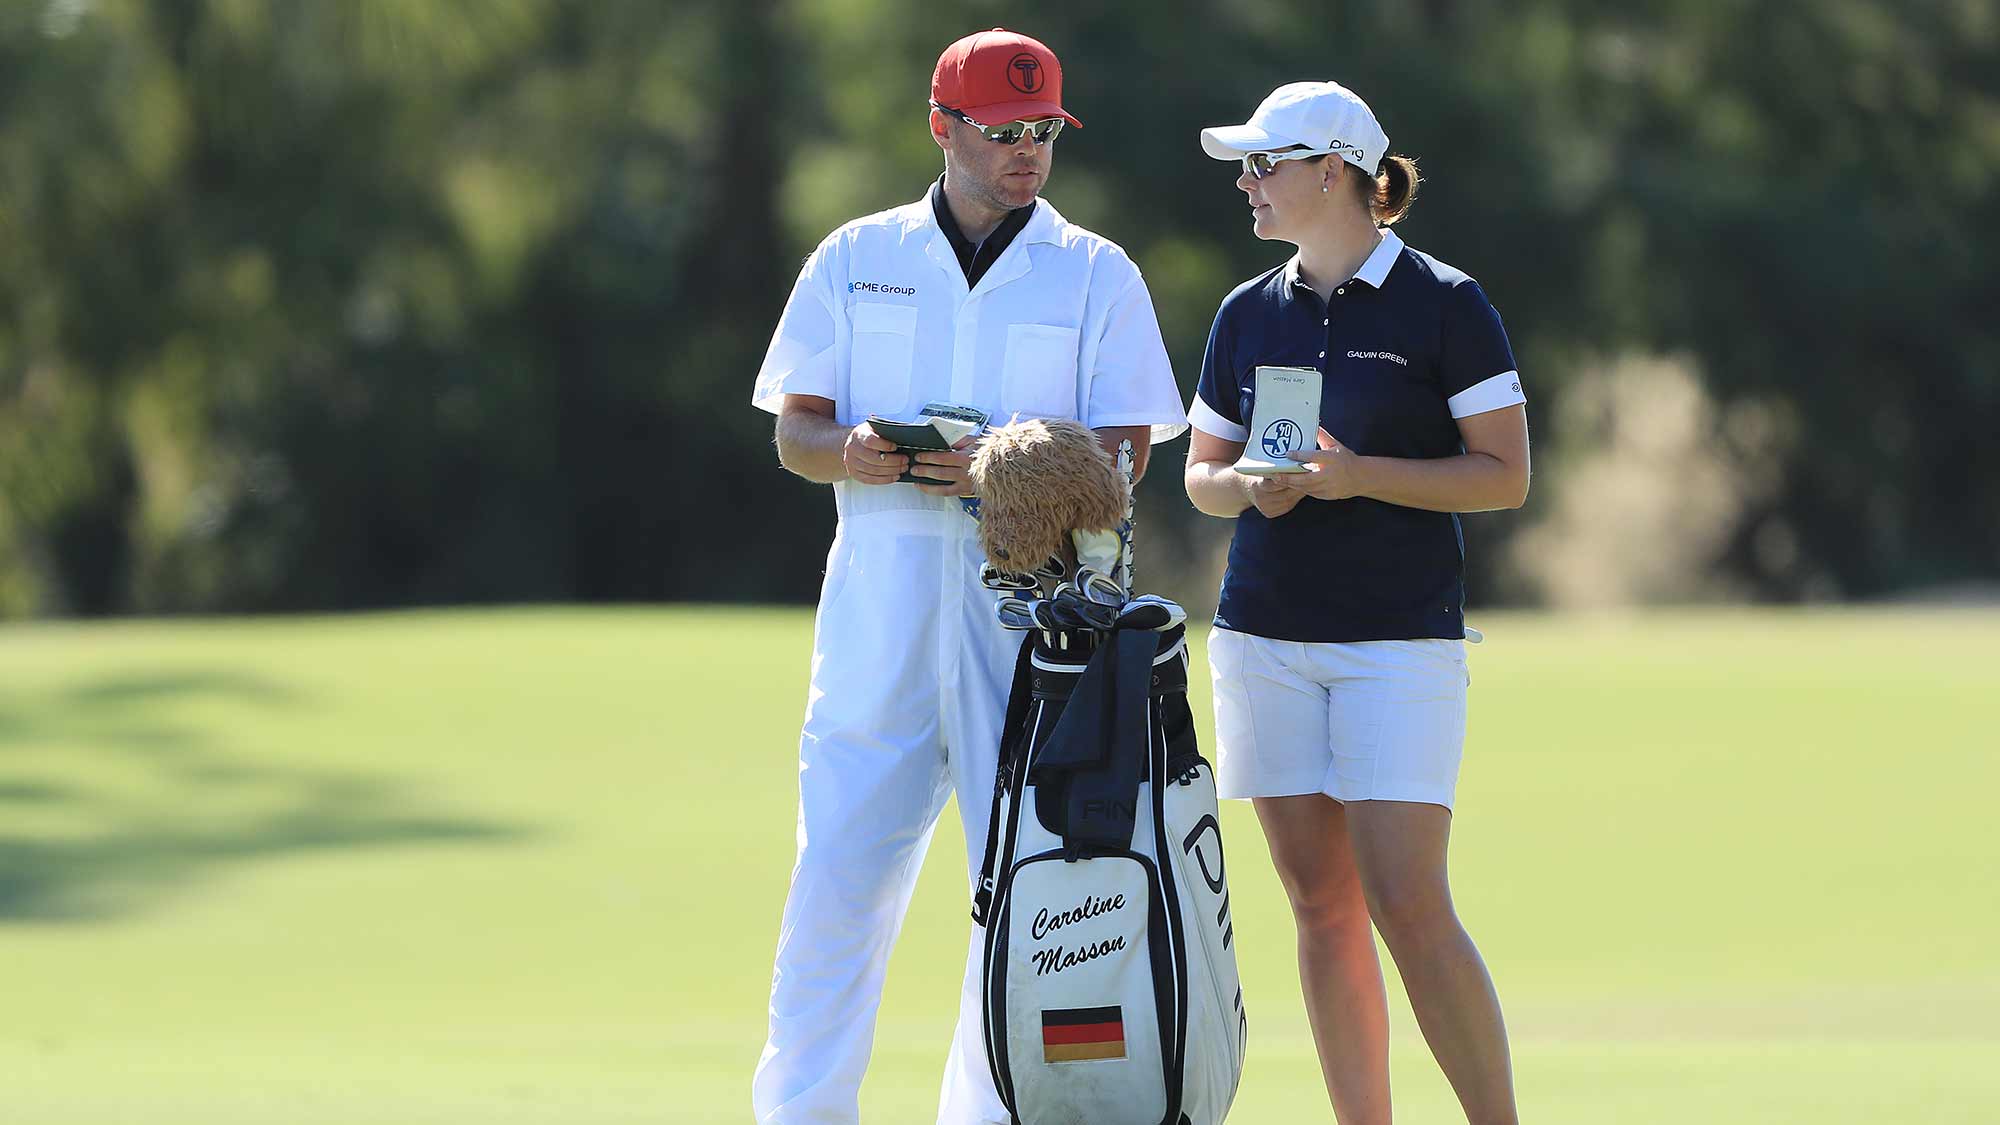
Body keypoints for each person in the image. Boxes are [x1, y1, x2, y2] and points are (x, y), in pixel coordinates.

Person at [749, 27, 1187, 1125]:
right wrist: (850, 451)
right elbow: (795, 431)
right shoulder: (856, 255)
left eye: (1041, 131)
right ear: (941, 129)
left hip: (1034, 619)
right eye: (1000, 133)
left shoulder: (1095, 271)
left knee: (1023, 894)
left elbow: (1132, 450)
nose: (1025, 152)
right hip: (879, 610)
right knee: (837, 883)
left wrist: (1023, 469)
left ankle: (990, 1115)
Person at [1182, 81, 1531, 1125]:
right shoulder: (1246, 311)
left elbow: (1502, 475)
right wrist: (1254, 486)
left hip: (1395, 644)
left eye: (1262, 165)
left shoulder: (1445, 303)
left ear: (1331, 170)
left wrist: (1357, 475)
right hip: (1263, 635)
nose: (1245, 184)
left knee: (1405, 900)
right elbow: (1200, 477)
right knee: (1319, 905)